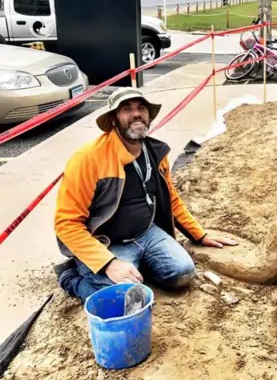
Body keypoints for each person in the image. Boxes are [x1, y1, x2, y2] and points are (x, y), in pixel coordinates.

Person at [53, 87, 237, 301]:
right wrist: (108, 263)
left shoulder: (156, 153)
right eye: (126, 109)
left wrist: (200, 234)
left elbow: (171, 200)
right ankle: (71, 277)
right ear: (113, 119)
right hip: (107, 243)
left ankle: (132, 269)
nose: (136, 114)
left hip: (146, 233)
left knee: (183, 273)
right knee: (125, 297)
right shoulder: (88, 158)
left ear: (149, 116)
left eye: (141, 108)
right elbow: (66, 223)